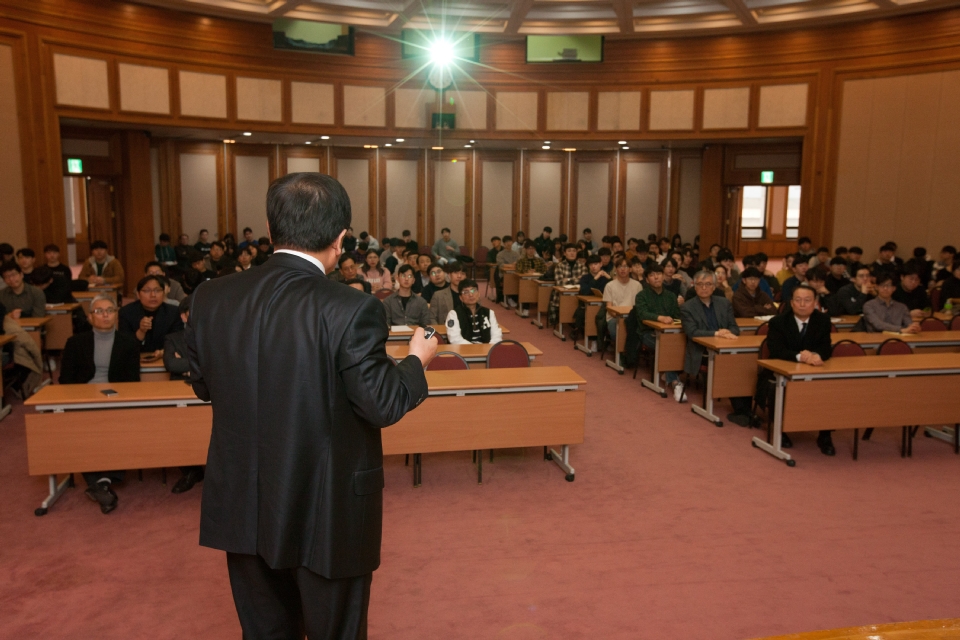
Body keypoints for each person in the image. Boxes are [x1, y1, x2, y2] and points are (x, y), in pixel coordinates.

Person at [185, 173, 435, 639]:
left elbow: (203, 384)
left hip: (244, 502)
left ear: (268, 226)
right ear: (341, 239)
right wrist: (417, 362)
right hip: (329, 509)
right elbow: (381, 402)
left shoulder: (212, 297)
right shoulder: (351, 308)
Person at [59, 294, 141, 513]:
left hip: (117, 398)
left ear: (116, 315)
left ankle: (99, 484)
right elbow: (65, 380)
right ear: (89, 317)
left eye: (110, 311)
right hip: (82, 397)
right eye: (99, 311)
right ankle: (103, 483)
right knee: (83, 428)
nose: (105, 315)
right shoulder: (75, 342)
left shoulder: (129, 342)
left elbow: (133, 382)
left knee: (119, 425)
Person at [765, 284, 836, 454]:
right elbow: (776, 350)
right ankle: (781, 431)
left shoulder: (823, 320)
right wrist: (801, 357)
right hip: (782, 371)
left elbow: (826, 347)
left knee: (831, 388)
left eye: (807, 300)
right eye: (798, 300)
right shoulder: (778, 322)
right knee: (778, 387)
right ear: (791, 303)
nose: (802, 304)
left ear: (815, 303)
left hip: (814, 370)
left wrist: (818, 355)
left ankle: (825, 434)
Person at [680, 270, 753, 426]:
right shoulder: (687, 307)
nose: (704, 288)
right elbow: (692, 332)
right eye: (700, 284)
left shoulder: (724, 302)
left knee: (746, 365)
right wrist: (717, 333)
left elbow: (735, 328)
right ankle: (741, 410)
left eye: (708, 284)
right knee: (732, 366)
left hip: (727, 349)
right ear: (694, 286)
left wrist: (727, 332)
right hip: (702, 352)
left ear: (714, 287)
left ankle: (745, 411)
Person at [160, 296, 205, 494]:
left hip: (206, 392)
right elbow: (171, 365)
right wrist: (201, 366)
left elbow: (222, 362)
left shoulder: (214, 334)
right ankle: (190, 470)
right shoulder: (173, 338)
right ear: (183, 316)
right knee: (177, 427)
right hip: (179, 391)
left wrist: (186, 366)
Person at [635, 264, 685, 402]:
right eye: (652, 275)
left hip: (669, 333)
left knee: (680, 344)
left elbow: (676, 316)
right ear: (647, 279)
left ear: (663, 276)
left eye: (658, 274)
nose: (656, 277)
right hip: (648, 333)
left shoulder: (670, 296)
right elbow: (642, 314)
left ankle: (667, 372)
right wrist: (660, 317)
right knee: (665, 347)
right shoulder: (641, 295)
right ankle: (675, 382)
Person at [118, 275, 184, 353]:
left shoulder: (174, 312)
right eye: (147, 291)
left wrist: (164, 352)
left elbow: (178, 342)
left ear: (163, 293)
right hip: (135, 359)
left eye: (157, 290)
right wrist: (141, 331)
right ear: (138, 294)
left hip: (165, 359)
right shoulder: (126, 312)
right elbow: (124, 345)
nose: (153, 295)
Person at [445, 279, 502, 345]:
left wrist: (489, 348)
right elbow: (454, 338)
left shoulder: (489, 312)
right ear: (460, 297)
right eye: (466, 292)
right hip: (464, 351)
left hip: (487, 350)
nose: (471, 295)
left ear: (479, 294)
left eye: (473, 290)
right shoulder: (454, 314)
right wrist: (475, 349)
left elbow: (496, 334)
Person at [602, 257, 642, 345]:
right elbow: (609, 307)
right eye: (620, 266)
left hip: (632, 317)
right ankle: (621, 354)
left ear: (630, 269)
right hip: (614, 317)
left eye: (626, 266)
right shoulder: (609, 285)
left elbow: (640, 305)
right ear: (616, 269)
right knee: (617, 331)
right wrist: (619, 316)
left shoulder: (637, 285)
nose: (623, 269)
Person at [548, 244, 587, 326]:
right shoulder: (559, 266)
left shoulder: (582, 266)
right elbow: (560, 283)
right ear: (564, 253)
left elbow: (584, 281)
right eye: (569, 251)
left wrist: (568, 279)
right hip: (562, 295)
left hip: (578, 295)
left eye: (574, 251)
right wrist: (575, 279)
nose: (572, 253)